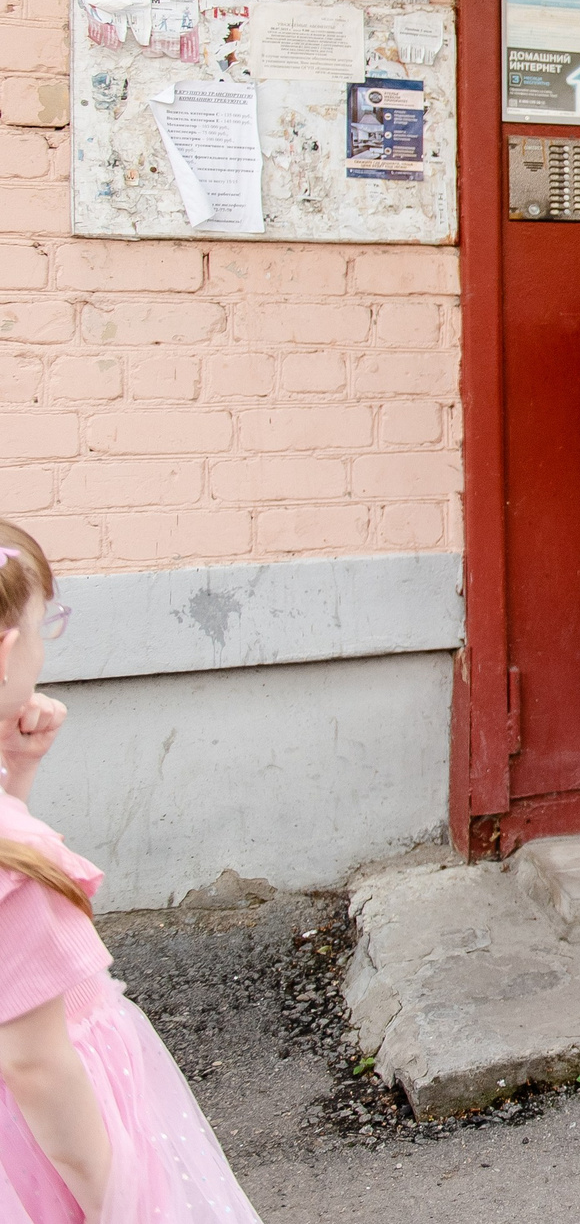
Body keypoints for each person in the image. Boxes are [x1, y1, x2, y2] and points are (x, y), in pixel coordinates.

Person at [0, 523, 265, 1223]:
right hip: (48, 1145)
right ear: (5, 649)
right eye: (41, 623)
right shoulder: (16, 859)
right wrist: (121, 1204)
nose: (45, 641)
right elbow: (34, 1063)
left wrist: (15, 774)